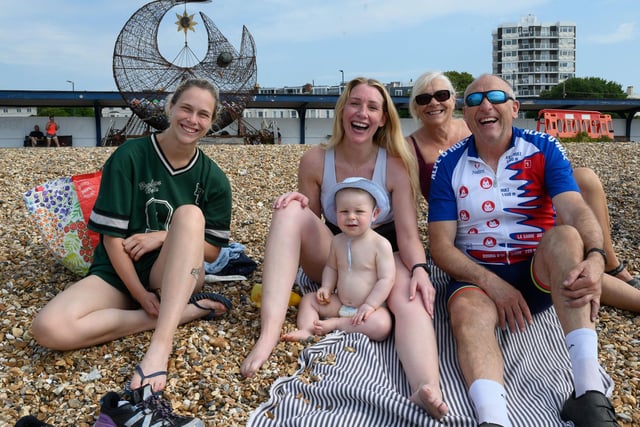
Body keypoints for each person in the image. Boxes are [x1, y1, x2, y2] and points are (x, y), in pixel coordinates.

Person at [240, 77, 448, 419]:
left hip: (385, 254)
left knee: (410, 299)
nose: (361, 112)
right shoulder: (315, 160)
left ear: (383, 119)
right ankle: (268, 334)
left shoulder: (395, 163)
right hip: (337, 257)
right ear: (342, 111)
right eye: (355, 103)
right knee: (289, 209)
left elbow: (409, 236)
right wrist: (297, 206)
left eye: (372, 107)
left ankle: (426, 386)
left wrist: (421, 271)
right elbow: (312, 222)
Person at [428, 74, 618, 426]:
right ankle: (493, 418)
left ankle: (589, 396)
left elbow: (575, 209)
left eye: (496, 96)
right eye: (474, 101)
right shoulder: (448, 164)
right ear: (466, 117)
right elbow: (439, 245)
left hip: (538, 271)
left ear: (514, 108)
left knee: (566, 237)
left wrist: (596, 257)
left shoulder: (543, 147)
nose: (485, 105)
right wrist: (492, 284)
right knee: (467, 311)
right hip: (479, 278)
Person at [32, 79, 233, 399]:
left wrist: (164, 236)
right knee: (48, 328)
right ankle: (183, 313)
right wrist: (140, 295)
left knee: (190, 216)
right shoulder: (129, 156)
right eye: (186, 108)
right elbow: (111, 239)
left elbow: (210, 252)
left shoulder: (214, 179)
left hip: (174, 275)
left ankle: (160, 345)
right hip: (118, 270)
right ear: (170, 108)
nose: (192, 120)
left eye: (203, 114)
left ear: (211, 122)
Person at [407, 70, 639, 292]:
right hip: (468, 224)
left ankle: (607, 260)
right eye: (424, 98)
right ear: (415, 107)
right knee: (568, 273)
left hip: (519, 213)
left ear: (455, 102)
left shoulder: (479, 126)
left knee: (584, 180)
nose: (433, 102)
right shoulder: (411, 147)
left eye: (441, 95)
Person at [282, 177, 395, 342]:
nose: (351, 217)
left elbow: (387, 279)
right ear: (336, 213)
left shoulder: (381, 245)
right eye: (344, 212)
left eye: (359, 211)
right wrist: (327, 287)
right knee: (308, 300)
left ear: (374, 214)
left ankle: (337, 324)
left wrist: (370, 304)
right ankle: (307, 330)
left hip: (369, 308)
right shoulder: (337, 241)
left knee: (382, 325)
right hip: (341, 302)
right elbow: (331, 268)